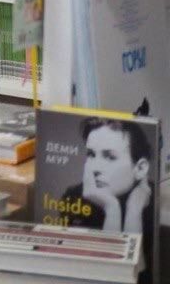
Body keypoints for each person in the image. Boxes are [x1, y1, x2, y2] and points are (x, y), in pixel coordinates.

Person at [65, 117, 155, 283]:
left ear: (140, 168)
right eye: (91, 154)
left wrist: (134, 212)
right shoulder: (75, 197)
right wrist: (112, 209)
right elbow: (104, 276)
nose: (95, 167)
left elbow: (138, 277)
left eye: (110, 157)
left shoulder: (154, 202)